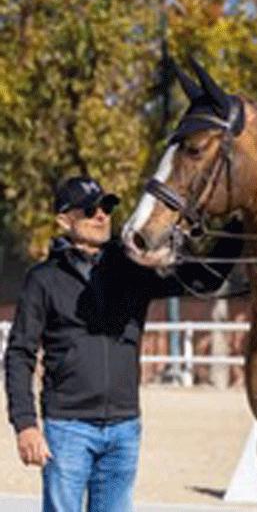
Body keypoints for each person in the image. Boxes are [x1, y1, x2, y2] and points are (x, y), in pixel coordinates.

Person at [4, 176, 241, 512]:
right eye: (89, 210)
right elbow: (19, 354)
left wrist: (237, 226)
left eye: (106, 206)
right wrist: (26, 424)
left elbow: (203, 280)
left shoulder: (132, 268)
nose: (101, 215)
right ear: (64, 220)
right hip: (67, 428)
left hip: (124, 429)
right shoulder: (43, 279)